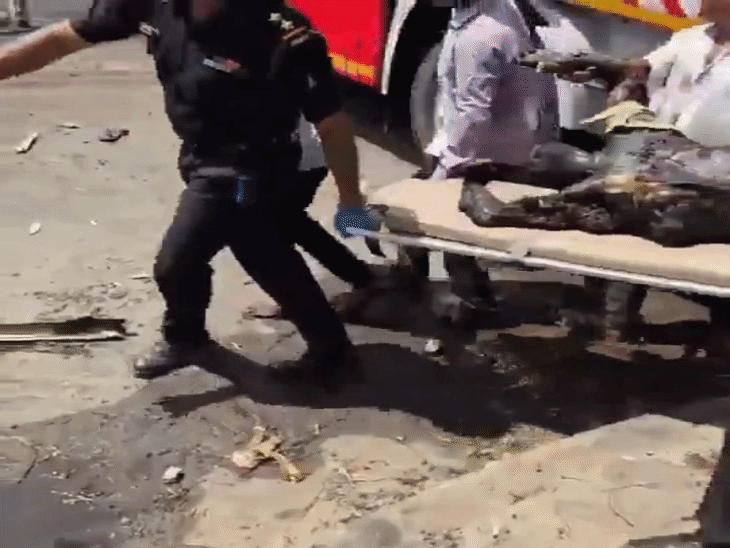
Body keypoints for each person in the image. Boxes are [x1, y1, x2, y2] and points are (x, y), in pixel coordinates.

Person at [0, 0, 380, 394]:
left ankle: (186, 338)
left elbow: (332, 123)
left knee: (177, 262)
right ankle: (331, 351)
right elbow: (62, 39)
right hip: (200, 155)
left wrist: (350, 200)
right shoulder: (152, 4)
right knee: (263, 251)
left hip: (250, 167)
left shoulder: (282, 32)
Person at [405, 0, 560, 312]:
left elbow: (473, 116)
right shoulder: (499, 12)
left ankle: (460, 299)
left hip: (488, 153)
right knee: (442, 218)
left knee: (437, 220)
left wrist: (448, 165)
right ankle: (468, 291)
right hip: (506, 143)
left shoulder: (479, 37)